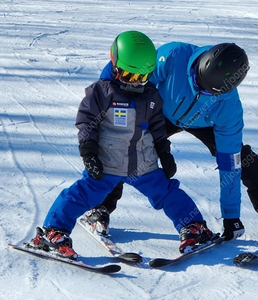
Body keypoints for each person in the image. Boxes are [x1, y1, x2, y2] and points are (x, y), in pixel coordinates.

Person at [29, 31, 214, 259]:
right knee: (80, 195)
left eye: (142, 77)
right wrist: (88, 152)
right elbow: (87, 122)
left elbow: (157, 127)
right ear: (115, 66)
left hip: (142, 165)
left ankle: (194, 227)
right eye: (129, 76)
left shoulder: (151, 95)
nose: (136, 83)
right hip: (107, 164)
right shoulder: (102, 92)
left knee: (168, 192)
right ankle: (53, 232)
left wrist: (164, 153)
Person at [93, 41, 258, 242]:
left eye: (208, 93)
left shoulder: (228, 108)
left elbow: (231, 162)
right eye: (197, 83)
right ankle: (99, 205)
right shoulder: (173, 56)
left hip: (203, 122)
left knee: (242, 158)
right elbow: (125, 68)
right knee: (121, 146)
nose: (199, 92)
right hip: (159, 111)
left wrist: (231, 215)